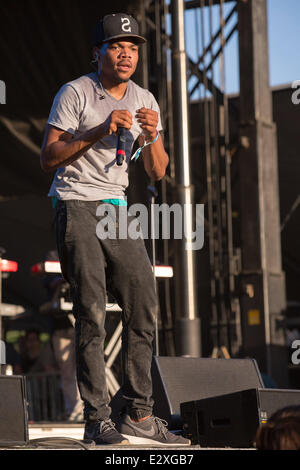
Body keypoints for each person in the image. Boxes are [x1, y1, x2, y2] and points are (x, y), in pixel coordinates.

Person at [40, 13, 190, 446]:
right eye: (116, 46)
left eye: (133, 47)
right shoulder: (76, 92)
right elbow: (49, 157)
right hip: (75, 200)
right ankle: (97, 417)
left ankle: (139, 413)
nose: (126, 54)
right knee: (90, 308)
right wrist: (99, 128)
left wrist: (152, 134)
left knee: (143, 301)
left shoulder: (146, 98)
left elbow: (157, 171)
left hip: (117, 206)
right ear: (97, 53)